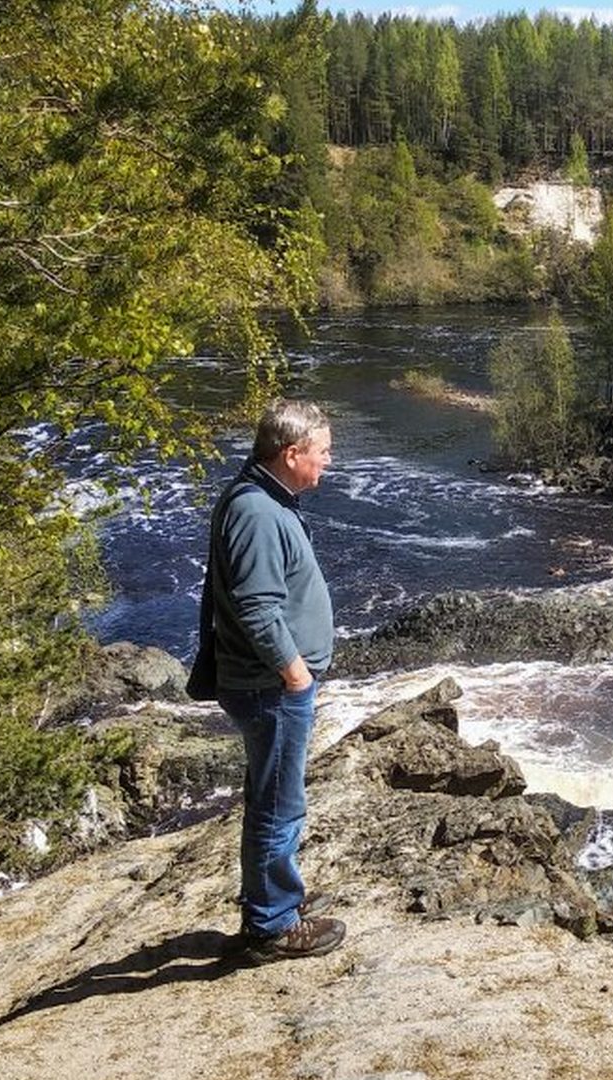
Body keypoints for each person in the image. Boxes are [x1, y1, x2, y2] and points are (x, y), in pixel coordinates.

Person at [208, 398, 346, 963]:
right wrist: (293, 672)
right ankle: (269, 926)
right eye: (323, 452)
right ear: (292, 454)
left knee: (275, 797)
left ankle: (278, 899)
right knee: (278, 804)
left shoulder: (262, 498)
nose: (329, 462)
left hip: (266, 683)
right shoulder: (259, 513)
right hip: (270, 686)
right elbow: (257, 606)